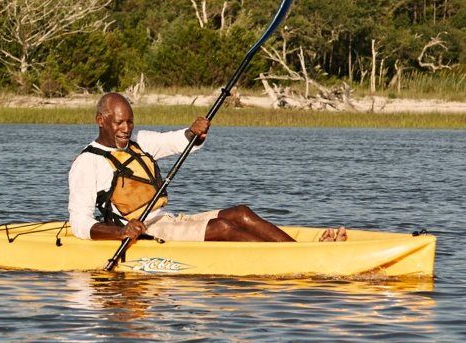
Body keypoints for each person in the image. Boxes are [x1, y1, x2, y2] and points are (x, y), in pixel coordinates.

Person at [68, 92, 345, 244]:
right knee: (222, 227)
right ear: (101, 120)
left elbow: (177, 140)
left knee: (241, 213)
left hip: (168, 220)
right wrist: (121, 232)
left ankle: (296, 252)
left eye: (130, 122)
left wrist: (193, 132)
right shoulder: (87, 162)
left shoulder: (140, 142)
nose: (126, 129)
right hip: (145, 234)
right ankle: (295, 259)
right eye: (119, 123)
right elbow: (80, 222)